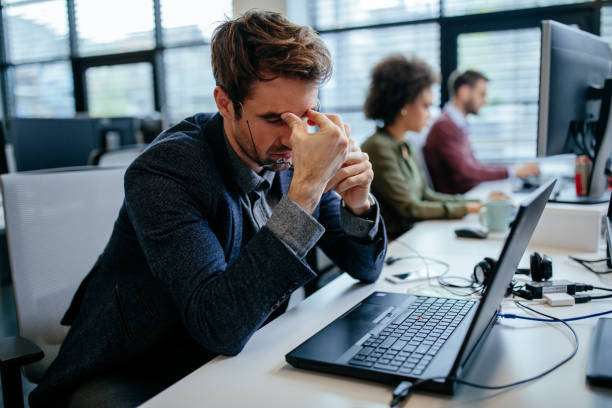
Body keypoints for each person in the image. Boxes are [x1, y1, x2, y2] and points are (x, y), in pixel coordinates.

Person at [30, 10, 386, 408]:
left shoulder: (290, 157)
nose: (293, 137)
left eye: (305, 115)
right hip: (144, 363)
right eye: (273, 119)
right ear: (225, 102)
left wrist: (359, 199)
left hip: (238, 351)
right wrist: (307, 190)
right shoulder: (166, 172)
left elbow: (366, 268)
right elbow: (219, 325)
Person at [361, 55, 481, 239]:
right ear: (404, 105)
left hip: (414, 235)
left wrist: (477, 202)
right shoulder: (377, 147)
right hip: (393, 244)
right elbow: (410, 208)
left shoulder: (405, 143)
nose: (430, 115)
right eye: (425, 106)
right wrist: (466, 208)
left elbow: (425, 194)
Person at [423, 70, 540, 194]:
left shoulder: (457, 123)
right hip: (459, 199)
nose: (485, 101)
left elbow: (474, 166)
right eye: (482, 94)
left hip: (469, 192)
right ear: (464, 92)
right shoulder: (444, 126)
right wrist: (513, 172)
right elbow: (467, 170)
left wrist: (513, 171)